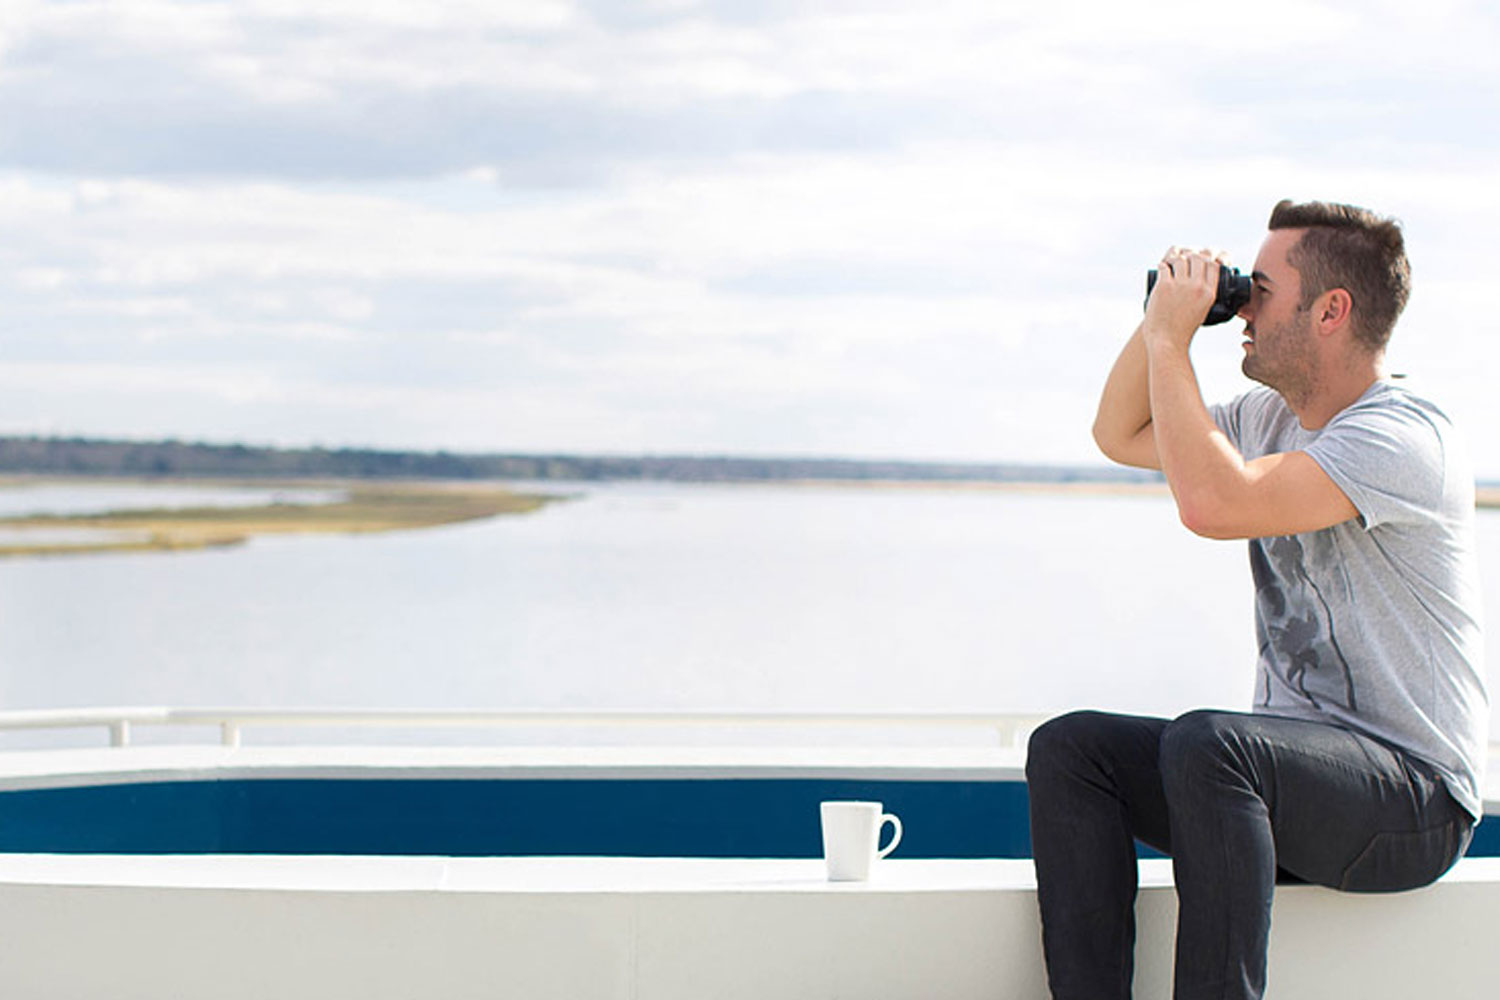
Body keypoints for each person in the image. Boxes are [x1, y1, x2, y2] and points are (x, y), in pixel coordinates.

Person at [1025, 200, 1488, 1000]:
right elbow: (1119, 431)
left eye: (1259, 291)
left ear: (1331, 312)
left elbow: (1215, 506)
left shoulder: (1403, 437)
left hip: (1414, 801)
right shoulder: (1268, 419)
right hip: (1289, 790)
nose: (1241, 308)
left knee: (1210, 745)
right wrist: (1161, 319)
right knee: (1073, 752)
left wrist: (1174, 340)